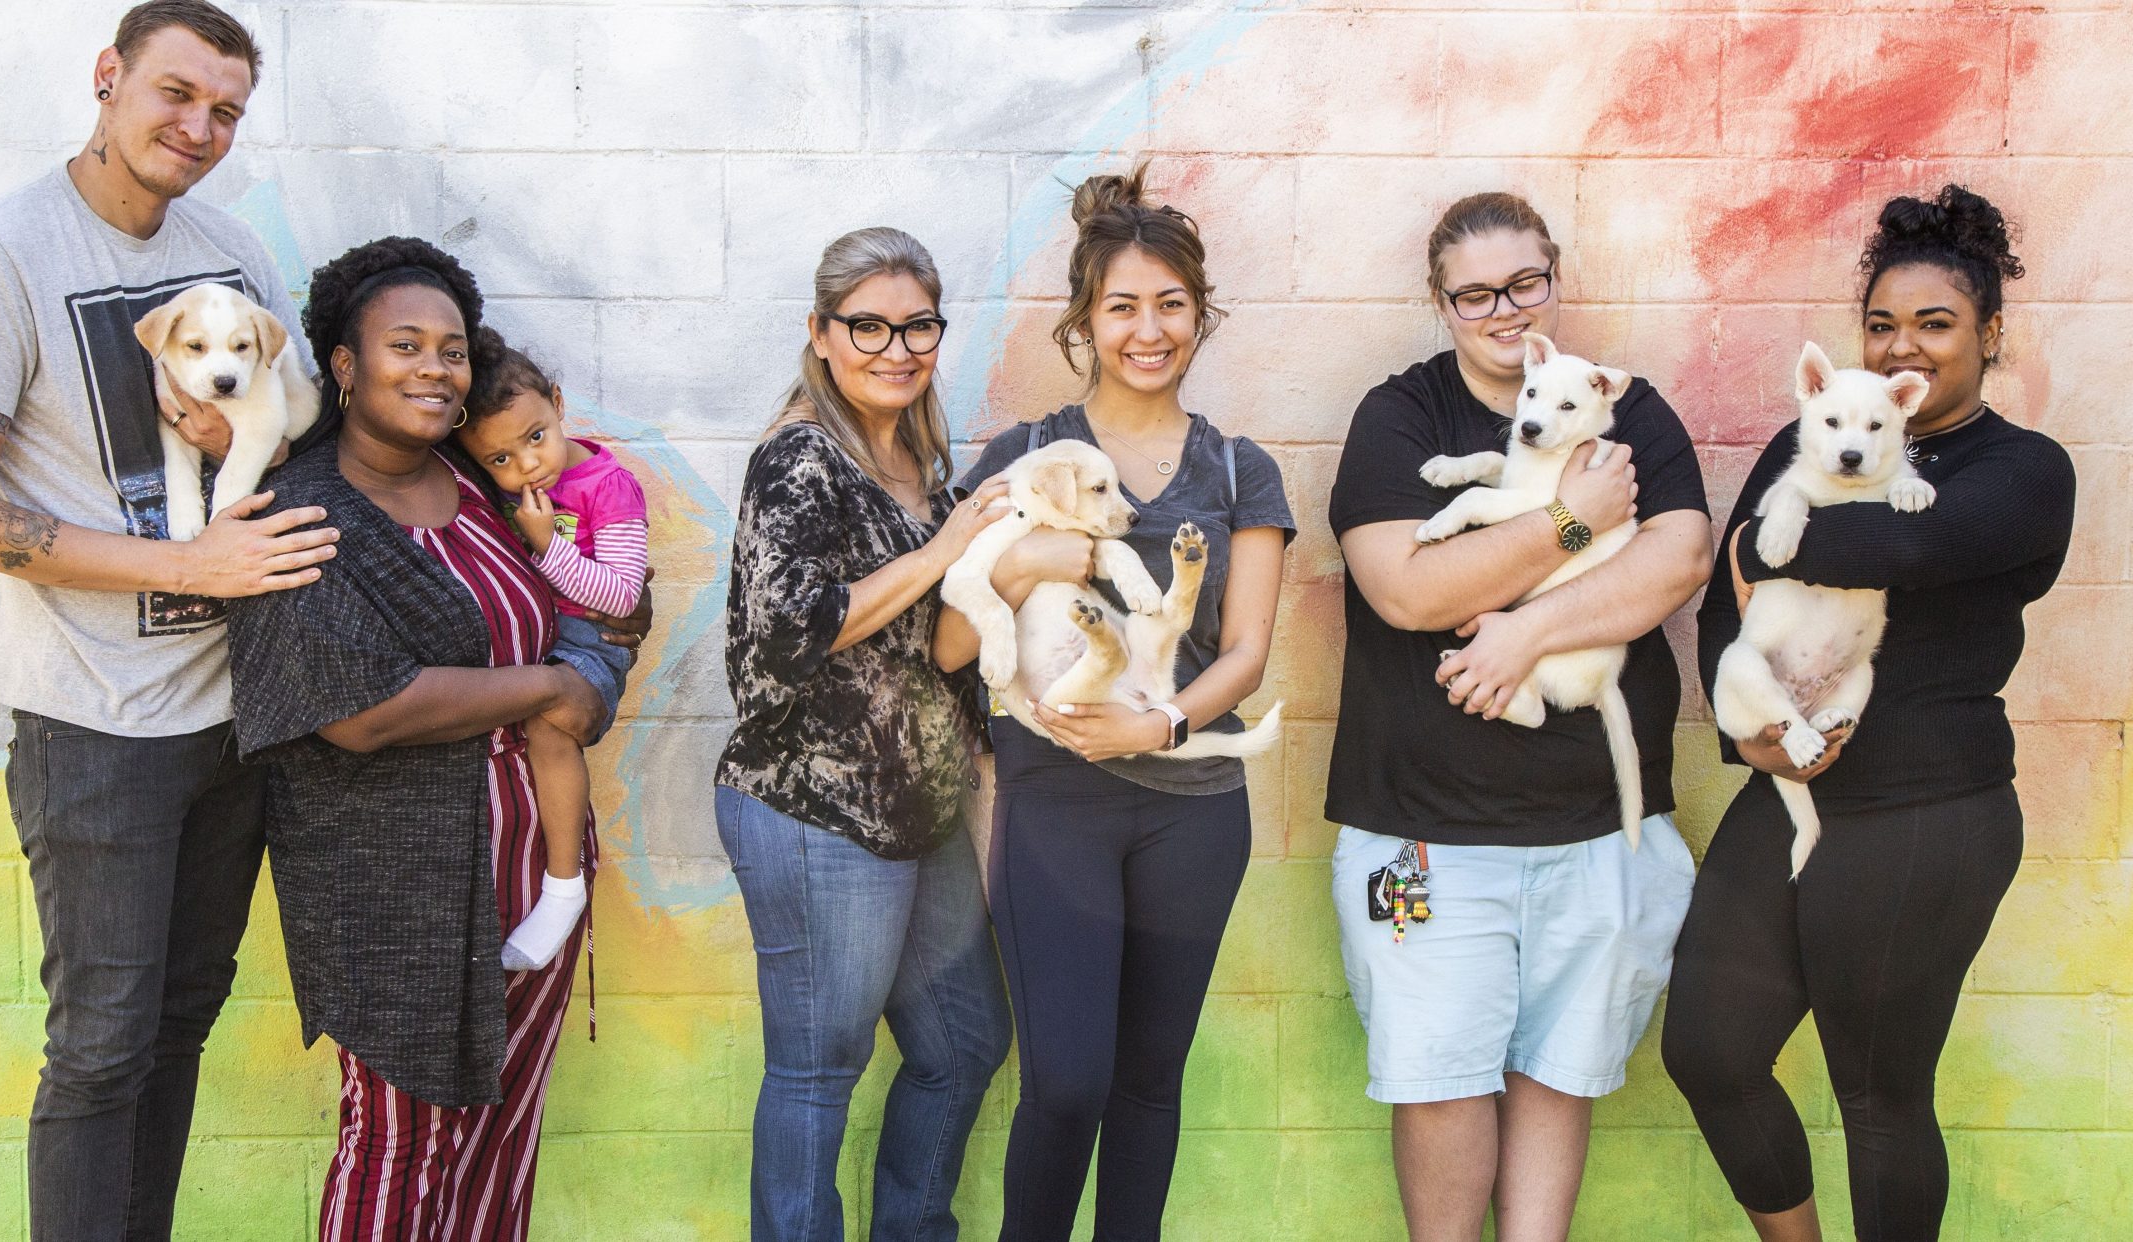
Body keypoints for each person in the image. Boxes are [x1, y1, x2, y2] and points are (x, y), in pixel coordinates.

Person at [0, 4, 333, 1236]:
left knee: (179, 1023)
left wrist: (241, 443)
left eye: (226, 111)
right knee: (99, 1046)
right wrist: (187, 559)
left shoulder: (230, 251)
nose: (199, 127)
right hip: (95, 723)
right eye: (175, 94)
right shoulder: (2, 252)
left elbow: (291, 430)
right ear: (108, 77)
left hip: (234, 715)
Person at [1662, 186, 2076, 1242]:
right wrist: (1748, 734)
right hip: (1791, 793)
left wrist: (1759, 542)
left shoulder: (2025, 472)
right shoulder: (1812, 433)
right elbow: (1726, 611)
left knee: (1878, 1097)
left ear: (1989, 334)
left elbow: (1897, 546)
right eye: (1882, 323)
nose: (1903, 345)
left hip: (1929, 816)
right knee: (1707, 1050)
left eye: (1935, 323)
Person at [1325, 192, 1711, 1241]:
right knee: (1438, 1083)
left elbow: (1678, 559)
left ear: (1553, 280)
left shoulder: (1626, 406)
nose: (1503, 310)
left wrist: (1523, 635)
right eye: (1475, 294)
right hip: (1423, 836)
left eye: (1523, 284)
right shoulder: (1400, 417)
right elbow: (1406, 590)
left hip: (1595, 829)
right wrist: (1574, 521)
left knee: (1560, 1074)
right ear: (1440, 302)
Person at [225, 237, 629, 1240]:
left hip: (537, 860)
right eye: (404, 346)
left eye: (451, 350)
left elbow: (606, 601)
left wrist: (597, 670)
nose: (435, 369)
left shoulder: (484, 480)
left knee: (501, 1127)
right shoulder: (304, 509)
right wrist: (553, 684)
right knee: (399, 1141)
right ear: (345, 364)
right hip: (396, 881)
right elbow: (363, 711)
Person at [936, 163, 1294, 1241]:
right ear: (1085, 322)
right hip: (1056, 803)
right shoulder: (1023, 457)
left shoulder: (1239, 470)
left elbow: (1247, 652)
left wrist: (1160, 722)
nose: (1149, 330)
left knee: (1147, 1083)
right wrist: (1027, 560)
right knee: (1066, 1082)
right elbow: (949, 640)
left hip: (1194, 805)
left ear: (1200, 312)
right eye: (1122, 306)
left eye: (1170, 304)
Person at [714, 226, 1014, 1241]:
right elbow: (793, 627)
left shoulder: (920, 460)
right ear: (821, 332)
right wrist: (946, 548)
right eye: (868, 327)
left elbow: (941, 642)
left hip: (919, 808)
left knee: (964, 1045)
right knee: (817, 1069)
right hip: (814, 803)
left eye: (918, 325)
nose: (897, 348)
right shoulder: (799, 456)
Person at [454, 329, 647, 970]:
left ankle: (564, 885)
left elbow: (620, 596)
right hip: (540, 640)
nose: (528, 466)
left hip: (590, 643)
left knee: (547, 723)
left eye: (536, 436)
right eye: (500, 459)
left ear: (558, 404)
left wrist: (545, 545)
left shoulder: (606, 486)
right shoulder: (502, 489)